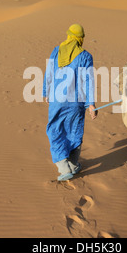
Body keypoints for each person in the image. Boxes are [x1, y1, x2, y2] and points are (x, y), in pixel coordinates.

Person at [43, 24, 97, 181]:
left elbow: (49, 72)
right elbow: (89, 81)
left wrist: (46, 92)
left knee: (55, 129)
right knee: (74, 130)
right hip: (76, 102)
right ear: (80, 39)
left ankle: (63, 167)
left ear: (68, 36)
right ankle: (73, 164)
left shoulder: (57, 51)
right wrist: (91, 104)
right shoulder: (85, 56)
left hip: (57, 100)